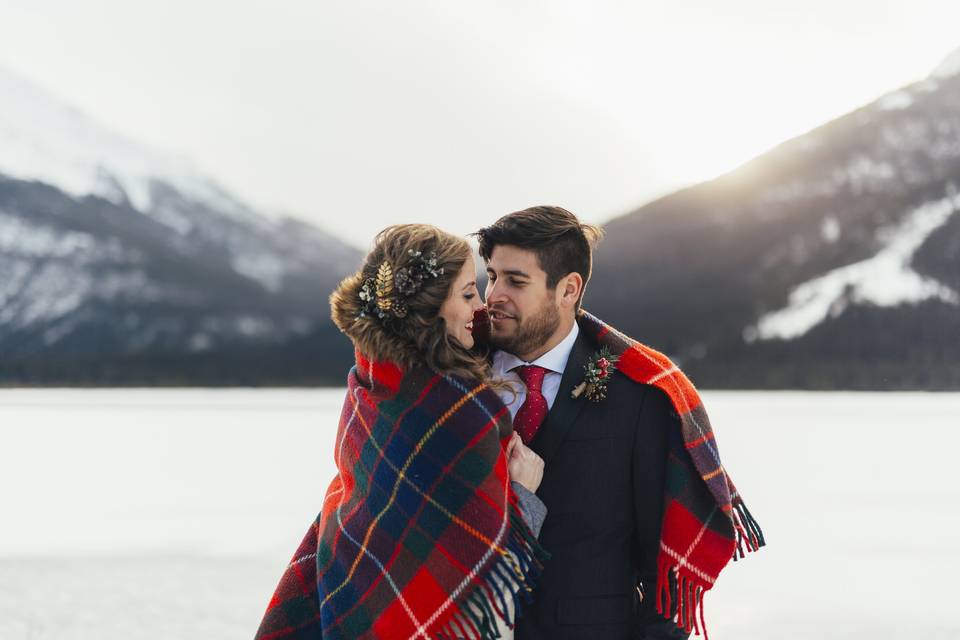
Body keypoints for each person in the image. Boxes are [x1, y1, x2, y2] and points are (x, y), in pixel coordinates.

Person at [474, 206, 764, 640]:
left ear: (568, 289)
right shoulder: (453, 377)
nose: (494, 294)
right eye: (492, 276)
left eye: (516, 281)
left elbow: (660, 572)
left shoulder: (640, 394)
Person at [255, 224, 549, 640]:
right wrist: (523, 495)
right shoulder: (459, 412)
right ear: (430, 309)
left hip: (352, 605)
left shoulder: (371, 382)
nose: (479, 307)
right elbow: (487, 589)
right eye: (467, 294)